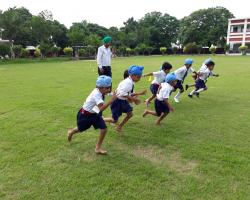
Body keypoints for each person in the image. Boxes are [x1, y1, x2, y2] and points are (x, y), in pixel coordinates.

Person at [67, 75, 117, 155]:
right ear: (100, 88)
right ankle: (71, 132)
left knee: (104, 129)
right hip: (85, 116)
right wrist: (111, 100)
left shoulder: (100, 90)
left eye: (109, 87)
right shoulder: (96, 94)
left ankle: (97, 148)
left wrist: (114, 94)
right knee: (80, 129)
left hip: (95, 114)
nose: (109, 90)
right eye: (107, 88)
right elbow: (101, 108)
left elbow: (108, 94)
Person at [104, 65, 144, 133]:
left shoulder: (130, 82)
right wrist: (134, 99)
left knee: (130, 114)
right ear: (133, 75)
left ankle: (119, 127)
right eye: (138, 77)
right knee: (114, 120)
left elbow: (127, 93)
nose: (139, 79)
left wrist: (136, 96)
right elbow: (121, 93)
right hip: (117, 102)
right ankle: (100, 119)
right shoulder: (128, 82)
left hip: (123, 101)